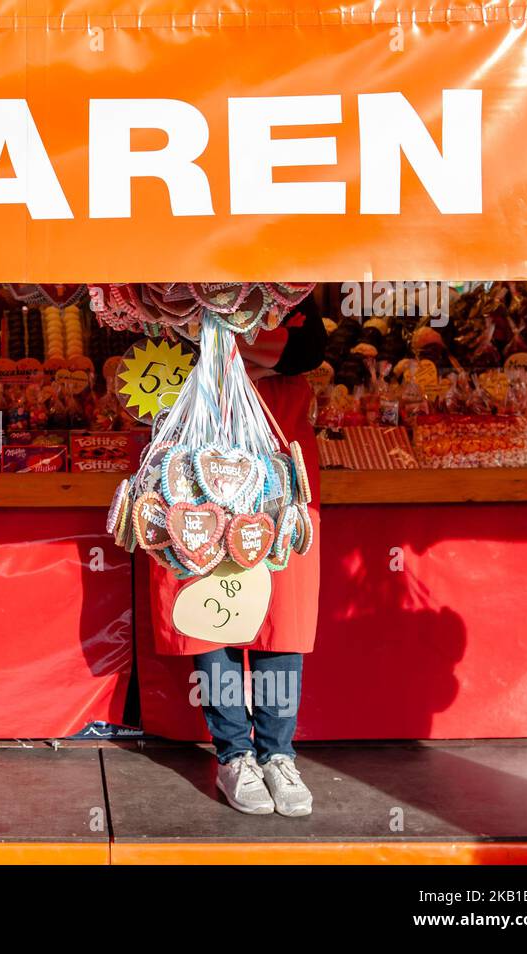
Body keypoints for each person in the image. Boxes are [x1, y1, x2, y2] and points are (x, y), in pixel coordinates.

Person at [149, 297, 326, 817]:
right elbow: (156, 350)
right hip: (196, 458)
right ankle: (234, 753)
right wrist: (246, 349)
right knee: (209, 602)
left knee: (280, 613)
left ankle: (277, 753)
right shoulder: (173, 286)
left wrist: (224, 341)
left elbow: (309, 348)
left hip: (278, 463)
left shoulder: (288, 284)